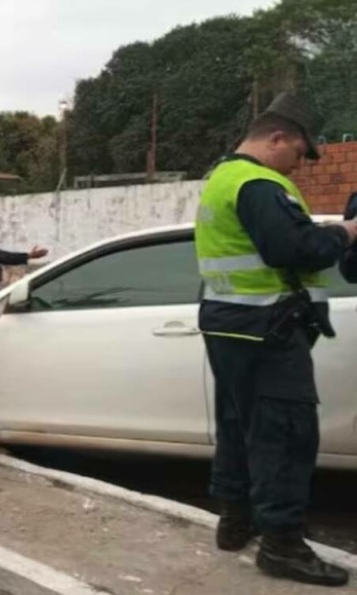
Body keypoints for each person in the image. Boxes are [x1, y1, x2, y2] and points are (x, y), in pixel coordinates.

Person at [195, 92, 357, 587]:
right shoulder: (259, 182)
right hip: (267, 329)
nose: (299, 167)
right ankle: (282, 546)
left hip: (231, 325)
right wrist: (348, 231)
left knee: (240, 424)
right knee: (285, 435)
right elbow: (294, 248)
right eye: (299, 153)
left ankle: (235, 520)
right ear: (278, 137)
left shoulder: (221, 177)